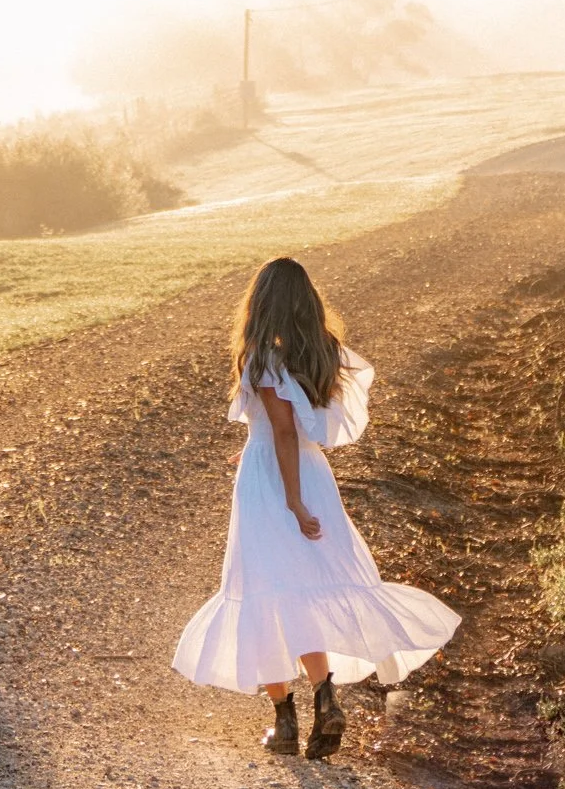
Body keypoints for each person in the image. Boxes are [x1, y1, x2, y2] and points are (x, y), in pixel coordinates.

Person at [172, 257, 462, 759]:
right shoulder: (318, 352)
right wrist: (261, 450)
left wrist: (290, 499)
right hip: (308, 471)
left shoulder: (262, 356)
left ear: (259, 304)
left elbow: (282, 430)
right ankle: (325, 696)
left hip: (276, 481)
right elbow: (292, 427)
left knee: (266, 589)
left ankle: (284, 723)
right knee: (304, 588)